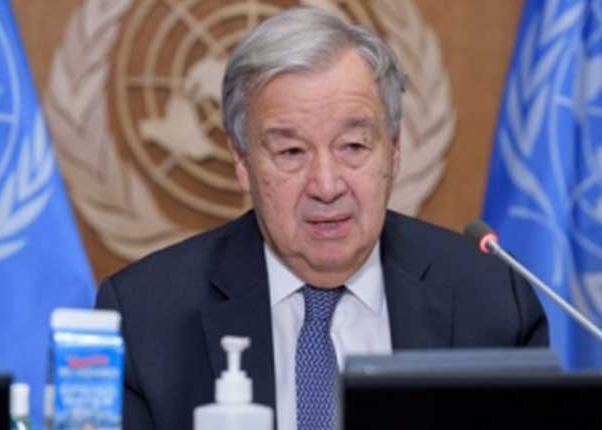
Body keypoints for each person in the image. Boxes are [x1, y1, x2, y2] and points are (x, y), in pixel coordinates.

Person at [96, 7, 548, 430]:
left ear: (393, 150)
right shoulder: (145, 317)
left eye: (353, 146)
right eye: (291, 152)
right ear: (242, 161)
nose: (327, 186)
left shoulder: (491, 302)